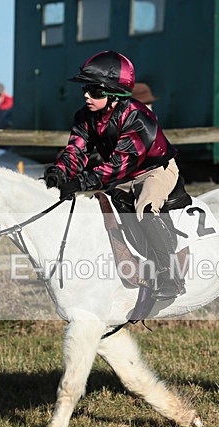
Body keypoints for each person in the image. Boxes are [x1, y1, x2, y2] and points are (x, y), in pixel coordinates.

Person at [43, 51, 187, 300]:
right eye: (86, 89)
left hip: (155, 171)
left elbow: (117, 166)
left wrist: (79, 182)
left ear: (114, 95)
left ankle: (170, 277)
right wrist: (60, 172)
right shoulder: (84, 116)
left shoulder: (137, 117)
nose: (87, 95)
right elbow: (76, 150)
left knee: (144, 209)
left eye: (95, 91)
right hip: (125, 174)